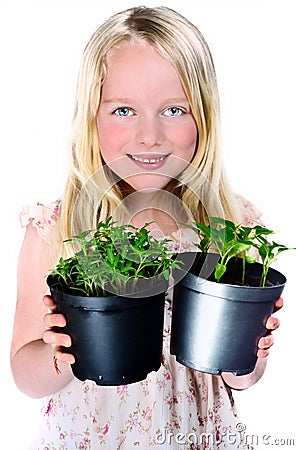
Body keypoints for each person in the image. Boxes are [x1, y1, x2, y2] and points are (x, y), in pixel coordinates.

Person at [10, 6, 282, 449]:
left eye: (174, 109)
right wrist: (55, 354)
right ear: (91, 117)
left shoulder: (230, 228)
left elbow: (242, 379)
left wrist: (250, 351)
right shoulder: (54, 229)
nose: (149, 134)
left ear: (205, 118)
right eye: (123, 110)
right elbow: (25, 373)